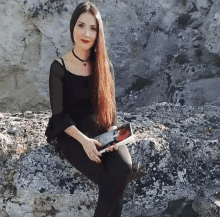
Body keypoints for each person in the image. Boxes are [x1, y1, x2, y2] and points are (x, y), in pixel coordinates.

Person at [45, 2, 132, 217]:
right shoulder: (59, 66)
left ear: (98, 33)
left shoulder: (105, 65)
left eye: (93, 28)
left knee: (124, 167)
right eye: (81, 26)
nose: (86, 33)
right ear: (72, 27)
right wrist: (84, 141)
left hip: (101, 130)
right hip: (72, 134)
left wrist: (112, 135)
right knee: (110, 179)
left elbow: (110, 108)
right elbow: (59, 115)